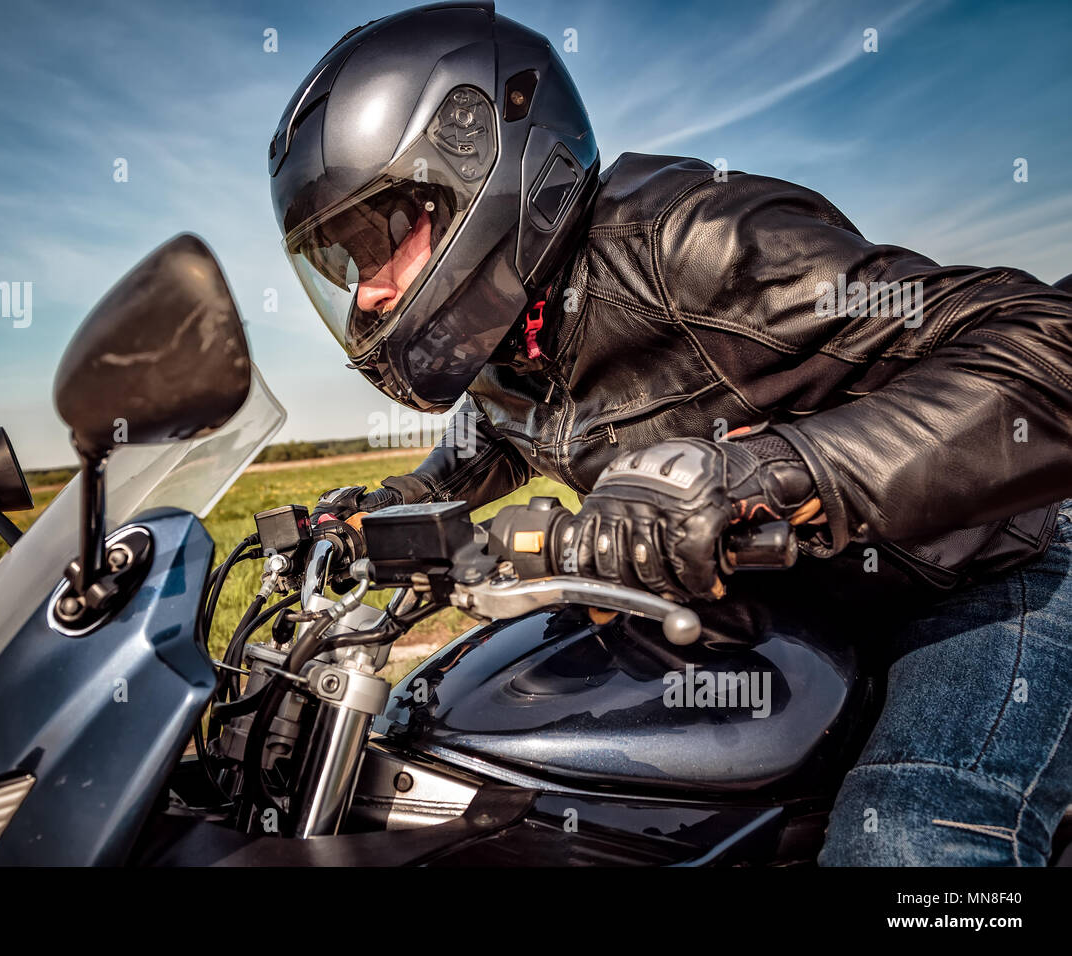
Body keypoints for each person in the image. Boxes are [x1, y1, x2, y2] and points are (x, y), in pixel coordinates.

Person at [268, 1, 1072, 865]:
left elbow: (1043, 343)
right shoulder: (512, 337)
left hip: (985, 569)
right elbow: (506, 430)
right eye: (343, 261)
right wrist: (393, 504)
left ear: (479, 161)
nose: (369, 295)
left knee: (910, 836)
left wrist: (762, 472)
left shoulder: (694, 243)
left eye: (380, 235)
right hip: (789, 606)